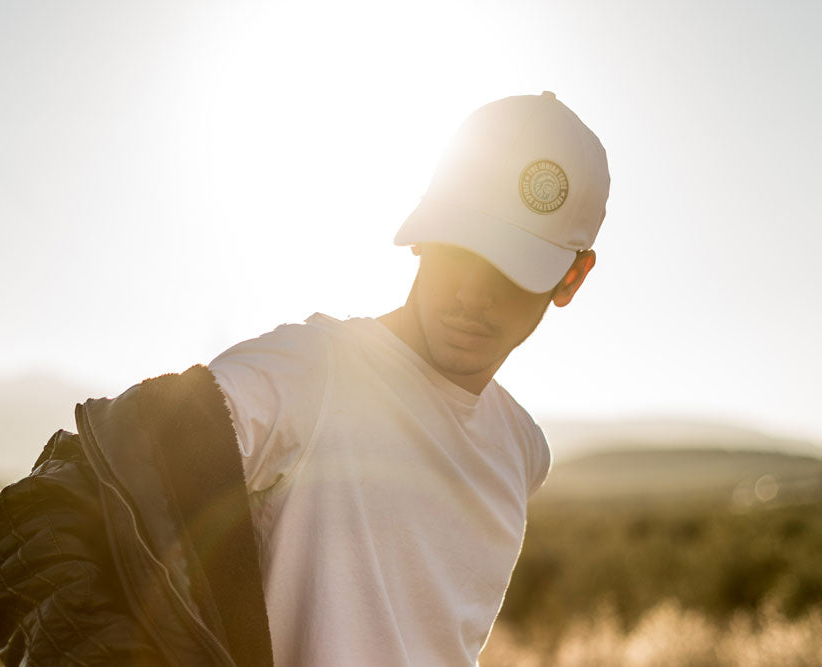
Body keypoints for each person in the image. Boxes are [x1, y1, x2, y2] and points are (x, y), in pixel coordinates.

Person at [207, 91, 610, 665]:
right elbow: (108, 473)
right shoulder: (306, 372)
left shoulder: (524, 451)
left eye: (509, 270)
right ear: (423, 235)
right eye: (457, 250)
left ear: (571, 278)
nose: (471, 295)